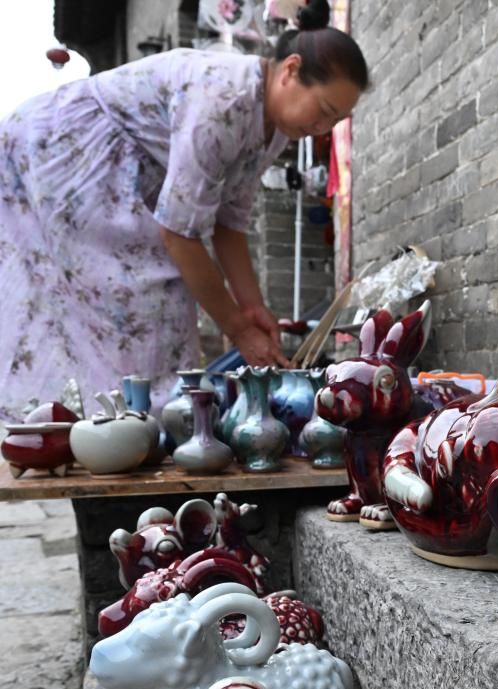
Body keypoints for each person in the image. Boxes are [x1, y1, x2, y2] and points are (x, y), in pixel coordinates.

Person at [0, 0, 367, 420]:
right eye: (323, 112)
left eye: (335, 121)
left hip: (116, 173)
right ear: (290, 70)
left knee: (153, 312)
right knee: (141, 302)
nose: (322, 129)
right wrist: (238, 329)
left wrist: (252, 307)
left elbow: (229, 224)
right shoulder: (222, 100)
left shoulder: (277, 125)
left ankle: (136, 428)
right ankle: (120, 430)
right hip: (62, 153)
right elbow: (179, 236)